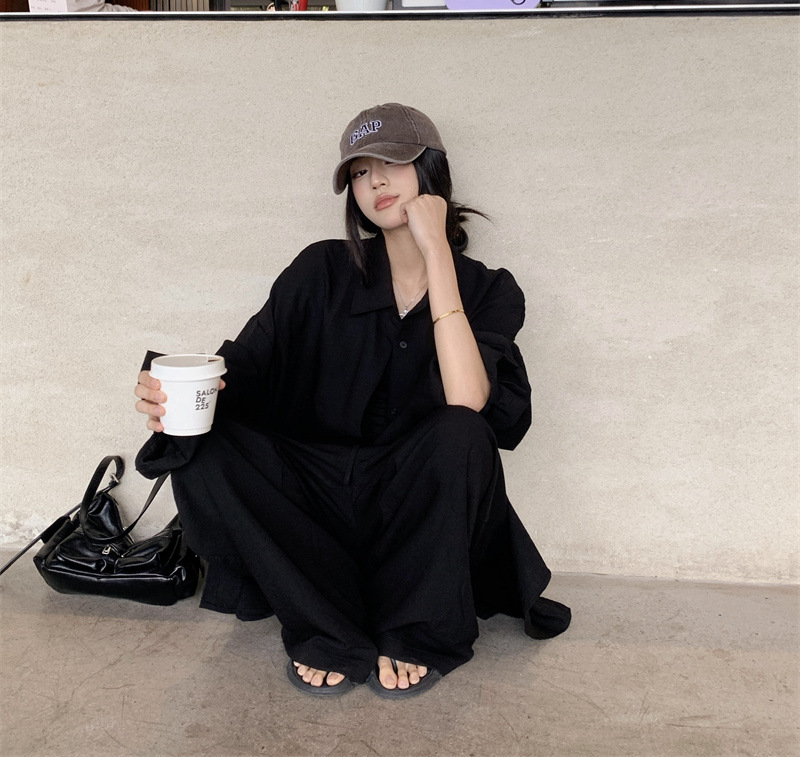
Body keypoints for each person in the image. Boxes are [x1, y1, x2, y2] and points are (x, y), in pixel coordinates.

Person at [134, 103, 570, 698]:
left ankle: (414, 626)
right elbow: (244, 372)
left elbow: (468, 400)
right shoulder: (320, 270)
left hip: (417, 507)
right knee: (200, 444)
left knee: (460, 433)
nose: (376, 182)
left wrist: (437, 253)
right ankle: (327, 625)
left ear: (432, 171)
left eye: (393, 163)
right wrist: (171, 397)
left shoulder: (490, 289)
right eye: (360, 172)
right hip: (316, 496)